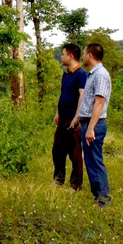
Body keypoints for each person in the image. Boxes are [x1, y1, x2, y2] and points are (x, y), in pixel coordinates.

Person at [78, 43, 112, 208]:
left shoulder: (100, 75)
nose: (83, 56)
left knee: (95, 161)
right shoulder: (92, 74)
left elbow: (99, 103)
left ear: (90, 55)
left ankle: (103, 199)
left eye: (84, 53)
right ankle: (98, 196)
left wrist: (91, 128)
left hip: (94, 124)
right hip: (88, 122)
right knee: (90, 160)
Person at [52, 43, 86, 191]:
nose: (61, 57)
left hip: (73, 119)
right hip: (63, 118)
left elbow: (82, 96)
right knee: (57, 151)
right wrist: (57, 112)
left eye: (63, 54)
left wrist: (77, 117)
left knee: (75, 153)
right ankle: (58, 180)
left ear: (71, 56)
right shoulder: (66, 73)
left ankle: (76, 184)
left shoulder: (81, 74)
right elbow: (63, 94)